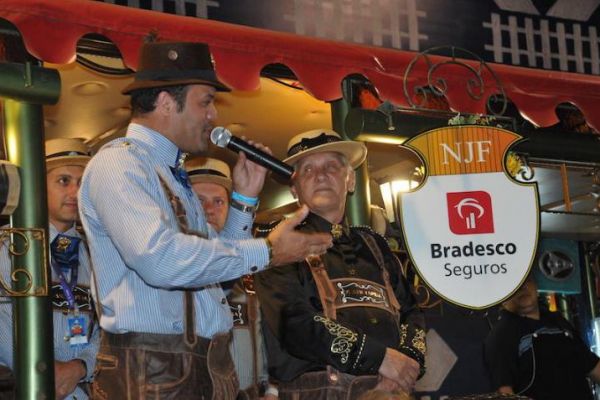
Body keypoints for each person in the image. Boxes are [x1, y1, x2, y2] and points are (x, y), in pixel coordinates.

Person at [77, 41, 332, 400]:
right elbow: (160, 261)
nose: (213, 115)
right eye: (206, 102)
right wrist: (268, 251)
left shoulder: (171, 175)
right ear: (166, 102)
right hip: (152, 372)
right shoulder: (120, 164)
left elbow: (215, 276)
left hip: (199, 368)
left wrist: (243, 199)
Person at [254, 129, 427, 400]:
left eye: (331, 166)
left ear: (350, 180)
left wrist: (406, 362)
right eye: (308, 169)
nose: (320, 175)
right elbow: (295, 325)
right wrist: (380, 358)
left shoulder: (375, 245)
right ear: (294, 190)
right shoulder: (278, 244)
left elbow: (411, 313)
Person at [0, 138, 99, 400]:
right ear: (38, 186)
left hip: (83, 389)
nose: (75, 193)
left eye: (82, 183)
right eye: (64, 181)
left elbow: (108, 324)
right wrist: (43, 372)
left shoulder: (95, 251)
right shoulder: (7, 245)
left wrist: (80, 366)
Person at [186, 156, 270, 398]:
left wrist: (272, 388)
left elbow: (269, 336)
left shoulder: (255, 266)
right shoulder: (172, 271)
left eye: (218, 201)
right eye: (199, 200)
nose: (208, 209)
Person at [484, 274, 600, 399]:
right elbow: (504, 391)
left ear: (535, 284)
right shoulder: (501, 335)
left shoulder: (558, 321)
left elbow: (592, 366)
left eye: (526, 281)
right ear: (502, 294)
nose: (522, 288)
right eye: (515, 285)